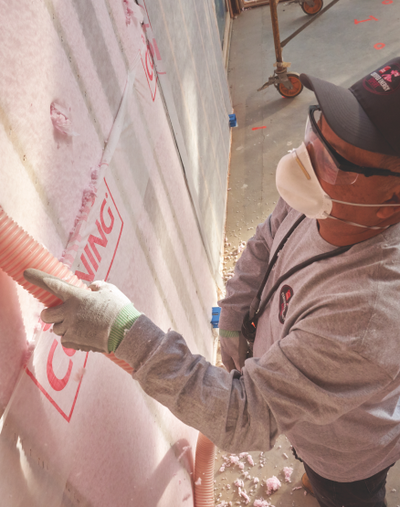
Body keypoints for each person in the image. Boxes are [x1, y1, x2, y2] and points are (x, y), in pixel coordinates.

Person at [25, 57, 400, 507]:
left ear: (389, 200)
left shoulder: (365, 314)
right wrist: (235, 316)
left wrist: (122, 331)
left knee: (341, 489)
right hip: (311, 418)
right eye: (314, 134)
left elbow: (244, 416)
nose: (303, 163)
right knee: (312, 458)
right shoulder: (328, 198)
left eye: (332, 161)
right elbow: (267, 242)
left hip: (347, 454)